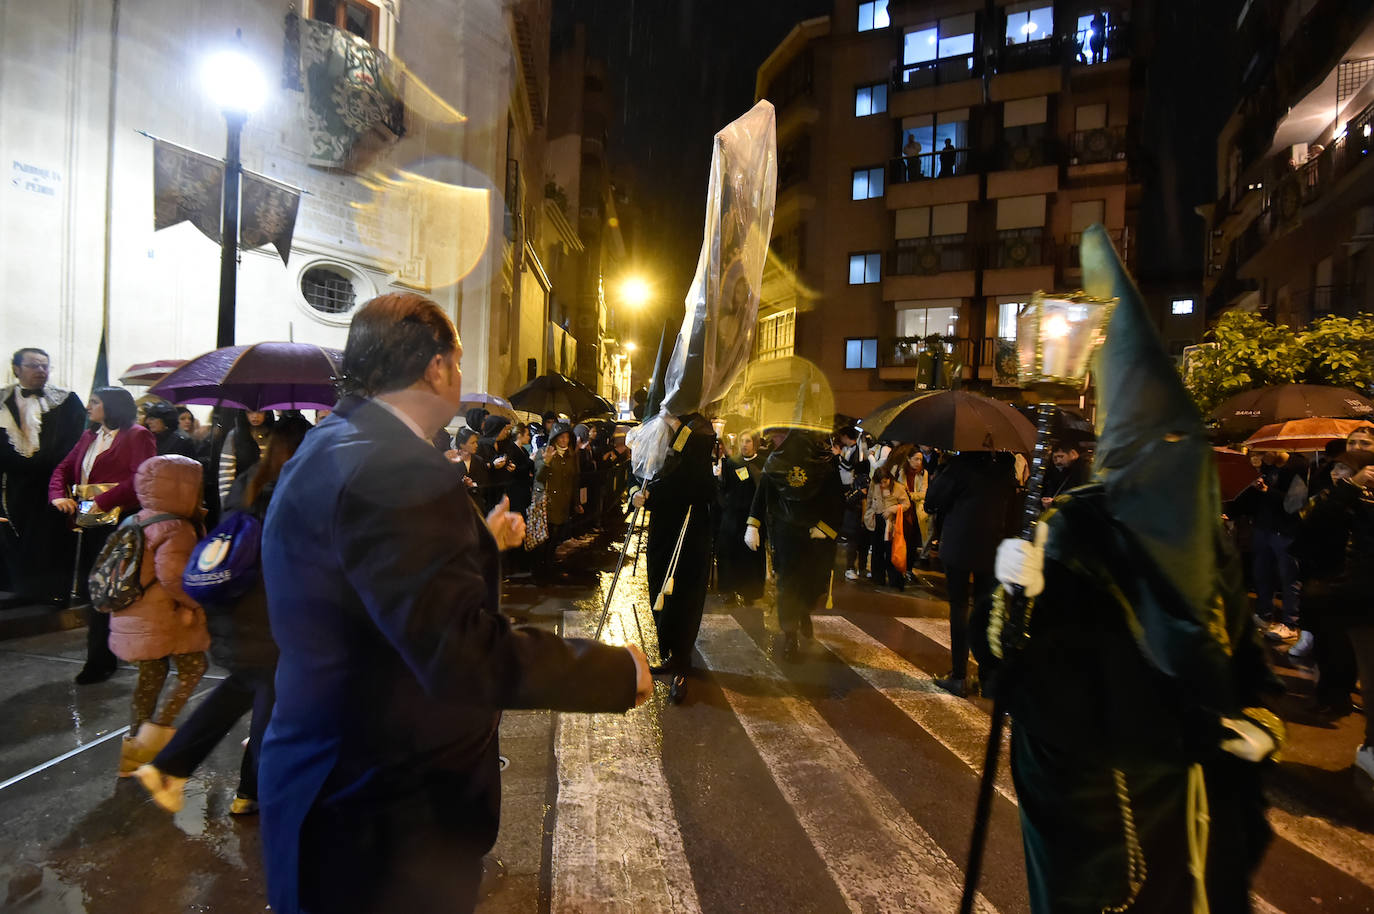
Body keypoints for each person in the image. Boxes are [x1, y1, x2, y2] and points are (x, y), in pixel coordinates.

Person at [256, 292, 650, 914]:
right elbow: (459, 652)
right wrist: (613, 670)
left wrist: (479, 543)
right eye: (459, 362)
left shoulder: (334, 442)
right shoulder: (397, 469)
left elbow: (370, 586)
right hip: (383, 819)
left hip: (329, 788)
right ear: (437, 367)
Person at [982, 225, 1281, 913]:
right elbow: (1017, 679)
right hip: (1107, 815)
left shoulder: (1210, 539)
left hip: (1200, 803)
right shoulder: (1077, 532)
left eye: (1183, 449)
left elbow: (1245, 653)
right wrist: (1014, 596)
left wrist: (1260, 719)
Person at [136, 417, 312, 815]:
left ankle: (245, 789)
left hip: (234, 602)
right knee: (259, 691)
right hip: (269, 611)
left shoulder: (250, 479)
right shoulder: (295, 486)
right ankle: (177, 767)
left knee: (257, 690)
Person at [106, 454, 209, 777]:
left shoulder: (134, 520)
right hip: (165, 618)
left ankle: (134, 748)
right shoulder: (176, 528)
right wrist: (196, 605)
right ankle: (151, 740)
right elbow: (175, 578)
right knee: (194, 668)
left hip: (131, 614)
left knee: (150, 678)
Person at [49, 387, 158, 684]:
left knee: (108, 592)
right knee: (93, 591)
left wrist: (104, 500)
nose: (88, 407)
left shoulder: (137, 435)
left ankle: (100, 660)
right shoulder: (89, 436)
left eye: (95, 402)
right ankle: (104, 655)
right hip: (90, 522)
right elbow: (63, 469)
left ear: (111, 406)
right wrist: (58, 495)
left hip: (120, 522)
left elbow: (142, 476)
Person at [1295, 449, 1374, 783]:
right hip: (1352, 594)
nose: (1339, 471)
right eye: (1338, 466)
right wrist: (1351, 488)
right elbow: (1311, 517)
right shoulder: (1345, 495)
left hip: (1351, 589)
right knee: (1349, 661)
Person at [633, 413, 717, 703]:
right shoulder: (669, 442)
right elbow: (651, 477)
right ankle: (670, 653)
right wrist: (640, 493)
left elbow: (691, 480)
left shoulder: (698, 434)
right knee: (659, 587)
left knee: (683, 596)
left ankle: (681, 661)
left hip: (688, 532)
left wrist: (679, 426)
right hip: (663, 531)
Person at [924, 450, 1017, 697]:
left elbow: (931, 501)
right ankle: (988, 678)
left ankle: (959, 676)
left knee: (959, 607)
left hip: (959, 546)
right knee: (986, 610)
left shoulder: (959, 466)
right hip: (991, 547)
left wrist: (943, 470)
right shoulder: (1006, 468)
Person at [746, 427, 844, 660]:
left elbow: (836, 499)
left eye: (779, 435)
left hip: (814, 536)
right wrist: (753, 524)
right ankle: (790, 634)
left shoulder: (824, 463)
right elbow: (762, 495)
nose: (774, 440)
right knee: (787, 585)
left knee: (811, 584)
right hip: (786, 534)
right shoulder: (774, 461)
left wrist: (826, 528)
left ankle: (803, 612)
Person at [0, 347, 86, 606]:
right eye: (34, 365)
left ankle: (54, 591)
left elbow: (75, 441)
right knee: (17, 534)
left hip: (53, 480)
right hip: (13, 481)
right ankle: (21, 590)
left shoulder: (67, 401)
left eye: (45, 366)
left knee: (51, 535)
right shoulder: (2, 400)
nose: (41, 371)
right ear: (17, 369)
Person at [1232, 450, 1308, 640]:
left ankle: (1290, 623)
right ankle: (1264, 614)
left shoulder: (1298, 466)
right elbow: (1254, 501)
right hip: (1263, 529)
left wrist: (1267, 490)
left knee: (1289, 577)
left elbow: (1295, 503)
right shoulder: (1267, 467)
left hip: (1285, 531)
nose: (1262, 455)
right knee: (1262, 573)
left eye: (1265, 451)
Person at [717, 430, 766, 605]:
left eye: (748, 441)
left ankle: (749, 593)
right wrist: (719, 477)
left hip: (752, 517)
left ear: (754, 443)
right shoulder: (732, 463)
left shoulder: (763, 464)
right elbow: (724, 489)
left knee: (750, 557)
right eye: (742, 441)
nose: (744, 445)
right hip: (732, 517)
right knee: (729, 553)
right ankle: (728, 590)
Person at [533, 423, 580, 581]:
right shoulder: (544, 453)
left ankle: (548, 565)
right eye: (561, 437)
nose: (564, 440)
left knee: (556, 537)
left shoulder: (571, 455)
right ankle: (541, 570)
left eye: (567, 437)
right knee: (544, 539)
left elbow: (574, 480)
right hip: (548, 503)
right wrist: (546, 462)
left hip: (563, 503)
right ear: (554, 438)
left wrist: (576, 502)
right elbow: (539, 478)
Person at [864, 462, 910, 591]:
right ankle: (877, 578)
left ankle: (895, 581)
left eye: (885, 481)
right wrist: (868, 515)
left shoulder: (898, 488)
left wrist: (892, 509)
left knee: (891, 552)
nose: (883, 485)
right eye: (881, 483)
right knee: (877, 551)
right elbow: (869, 500)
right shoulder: (874, 485)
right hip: (876, 520)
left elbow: (906, 504)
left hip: (890, 524)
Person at [218, 409, 274, 505]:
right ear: (243, 413)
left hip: (270, 497)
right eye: (250, 412)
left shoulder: (274, 436)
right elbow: (226, 473)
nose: (255, 416)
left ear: (267, 413)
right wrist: (226, 504)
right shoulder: (235, 435)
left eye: (260, 412)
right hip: (243, 497)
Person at [448, 427, 490, 510]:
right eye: (472, 443)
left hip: (477, 506)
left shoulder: (479, 461)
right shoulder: (451, 462)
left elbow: (485, 485)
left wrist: (473, 485)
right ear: (462, 445)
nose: (476, 445)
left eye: (476, 442)